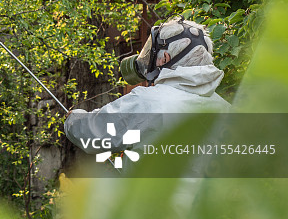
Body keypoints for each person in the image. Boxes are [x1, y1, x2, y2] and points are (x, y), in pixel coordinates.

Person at [64, 17, 230, 164]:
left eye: (153, 53)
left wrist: (73, 119)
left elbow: (93, 132)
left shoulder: (148, 103)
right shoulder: (227, 110)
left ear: (165, 58)